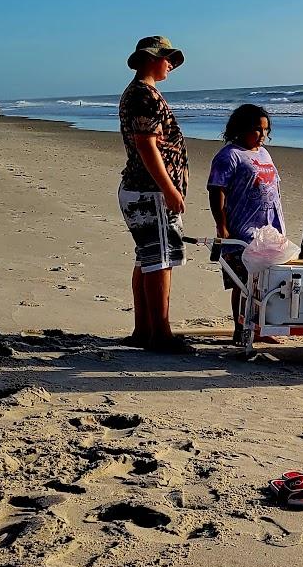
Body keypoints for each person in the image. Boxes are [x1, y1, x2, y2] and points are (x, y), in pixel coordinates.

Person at [118, 35, 193, 354]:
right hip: (149, 192)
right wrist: (169, 188)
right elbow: (146, 145)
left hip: (141, 189)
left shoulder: (139, 93)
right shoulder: (144, 96)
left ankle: (144, 329)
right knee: (160, 260)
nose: (171, 65)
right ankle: (160, 333)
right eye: (167, 59)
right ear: (151, 58)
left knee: (147, 259)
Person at [207, 104, 285, 341]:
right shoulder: (229, 156)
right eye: (257, 130)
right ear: (240, 129)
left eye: (265, 130)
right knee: (243, 284)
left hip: (269, 228)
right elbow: (216, 190)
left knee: (266, 282)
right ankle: (241, 329)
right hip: (241, 230)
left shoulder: (264, 154)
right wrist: (222, 226)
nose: (262, 135)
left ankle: (259, 328)